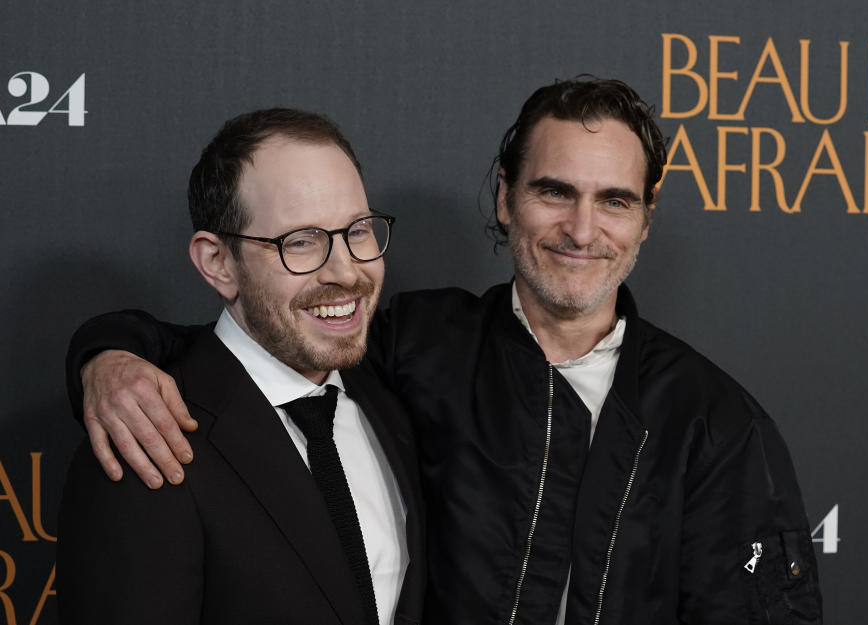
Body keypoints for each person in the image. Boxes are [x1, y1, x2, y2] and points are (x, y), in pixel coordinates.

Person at [66, 78, 822, 624]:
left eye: (615, 201)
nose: (583, 230)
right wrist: (107, 356)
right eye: (555, 191)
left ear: (646, 221)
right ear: (505, 197)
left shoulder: (716, 424)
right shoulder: (416, 350)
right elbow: (259, 347)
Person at [57, 109, 425, 625]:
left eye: (358, 231)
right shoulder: (147, 437)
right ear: (218, 263)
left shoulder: (394, 399)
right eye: (300, 242)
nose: (346, 271)